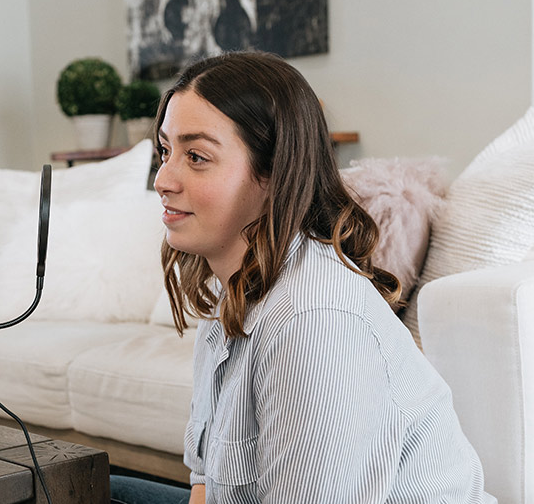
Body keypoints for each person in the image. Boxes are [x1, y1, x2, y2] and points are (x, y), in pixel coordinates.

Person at [111, 51, 496, 503]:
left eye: (196, 157)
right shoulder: (232, 289)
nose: (162, 179)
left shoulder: (313, 321)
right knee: (87, 487)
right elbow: (205, 483)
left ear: (274, 173)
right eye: (165, 150)